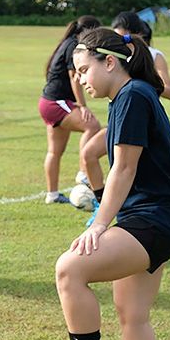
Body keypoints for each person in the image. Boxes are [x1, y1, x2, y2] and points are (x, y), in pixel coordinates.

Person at [35, 28, 170, 340]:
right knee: (133, 314)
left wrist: (99, 224)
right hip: (161, 219)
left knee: (70, 268)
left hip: (153, 220)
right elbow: (101, 157)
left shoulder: (133, 95)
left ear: (110, 62)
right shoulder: (132, 95)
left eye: (85, 69)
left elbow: (124, 166)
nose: (81, 79)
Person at [80, 11, 170, 225]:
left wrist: (143, 83)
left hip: (139, 118)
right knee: (89, 153)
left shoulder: (146, 67)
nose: (117, 43)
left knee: (127, 165)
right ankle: (102, 205)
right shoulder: (122, 89)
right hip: (127, 111)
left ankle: (108, 212)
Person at [38, 15, 102, 204]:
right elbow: (75, 78)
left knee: (54, 152)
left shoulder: (67, 42)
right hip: (57, 102)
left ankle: (52, 195)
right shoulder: (74, 46)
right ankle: (83, 172)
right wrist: (82, 106)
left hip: (47, 102)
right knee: (92, 126)